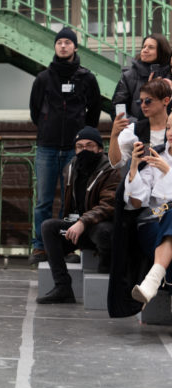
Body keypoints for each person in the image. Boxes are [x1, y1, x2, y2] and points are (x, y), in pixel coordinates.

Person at [28, 26, 101, 265]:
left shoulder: (87, 78)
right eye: (59, 42)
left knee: (70, 202)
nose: (63, 46)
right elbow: (35, 110)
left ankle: (65, 246)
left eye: (67, 42)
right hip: (47, 148)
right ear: (55, 47)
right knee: (43, 201)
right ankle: (40, 246)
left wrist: (82, 135)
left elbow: (94, 109)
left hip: (74, 150)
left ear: (75, 47)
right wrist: (47, 126)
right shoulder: (43, 78)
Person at [106, 79, 172, 317]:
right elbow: (116, 163)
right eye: (140, 101)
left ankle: (154, 280)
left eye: (148, 101)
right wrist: (115, 137)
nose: (142, 105)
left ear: (166, 101)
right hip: (149, 210)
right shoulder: (136, 133)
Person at [36, 127, 119, 303]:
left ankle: (107, 268)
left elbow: (108, 206)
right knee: (49, 227)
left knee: (104, 231)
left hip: (101, 228)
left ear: (100, 148)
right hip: (80, 230)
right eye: (79, 146)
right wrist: (73, 223)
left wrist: (82, 222)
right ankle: (62, 287)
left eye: (89, 146)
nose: (84, 150)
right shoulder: (71, 168)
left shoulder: (110, 170)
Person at [121, 116, 172, 306]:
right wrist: (134, 166)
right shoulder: (156, 156)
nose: (170, 133)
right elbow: (136, 202)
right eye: (168, 128)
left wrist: (168, 172)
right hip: (153, 225)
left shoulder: (163, 163)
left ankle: (153, 280)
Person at [112, 34, 172, 121]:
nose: (145, 50)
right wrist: (136, 125)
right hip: (135, 127)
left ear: (161, 51)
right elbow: (118, 107)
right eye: (144, 47)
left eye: (151, 47)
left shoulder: (169, 75)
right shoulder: (129, 76)